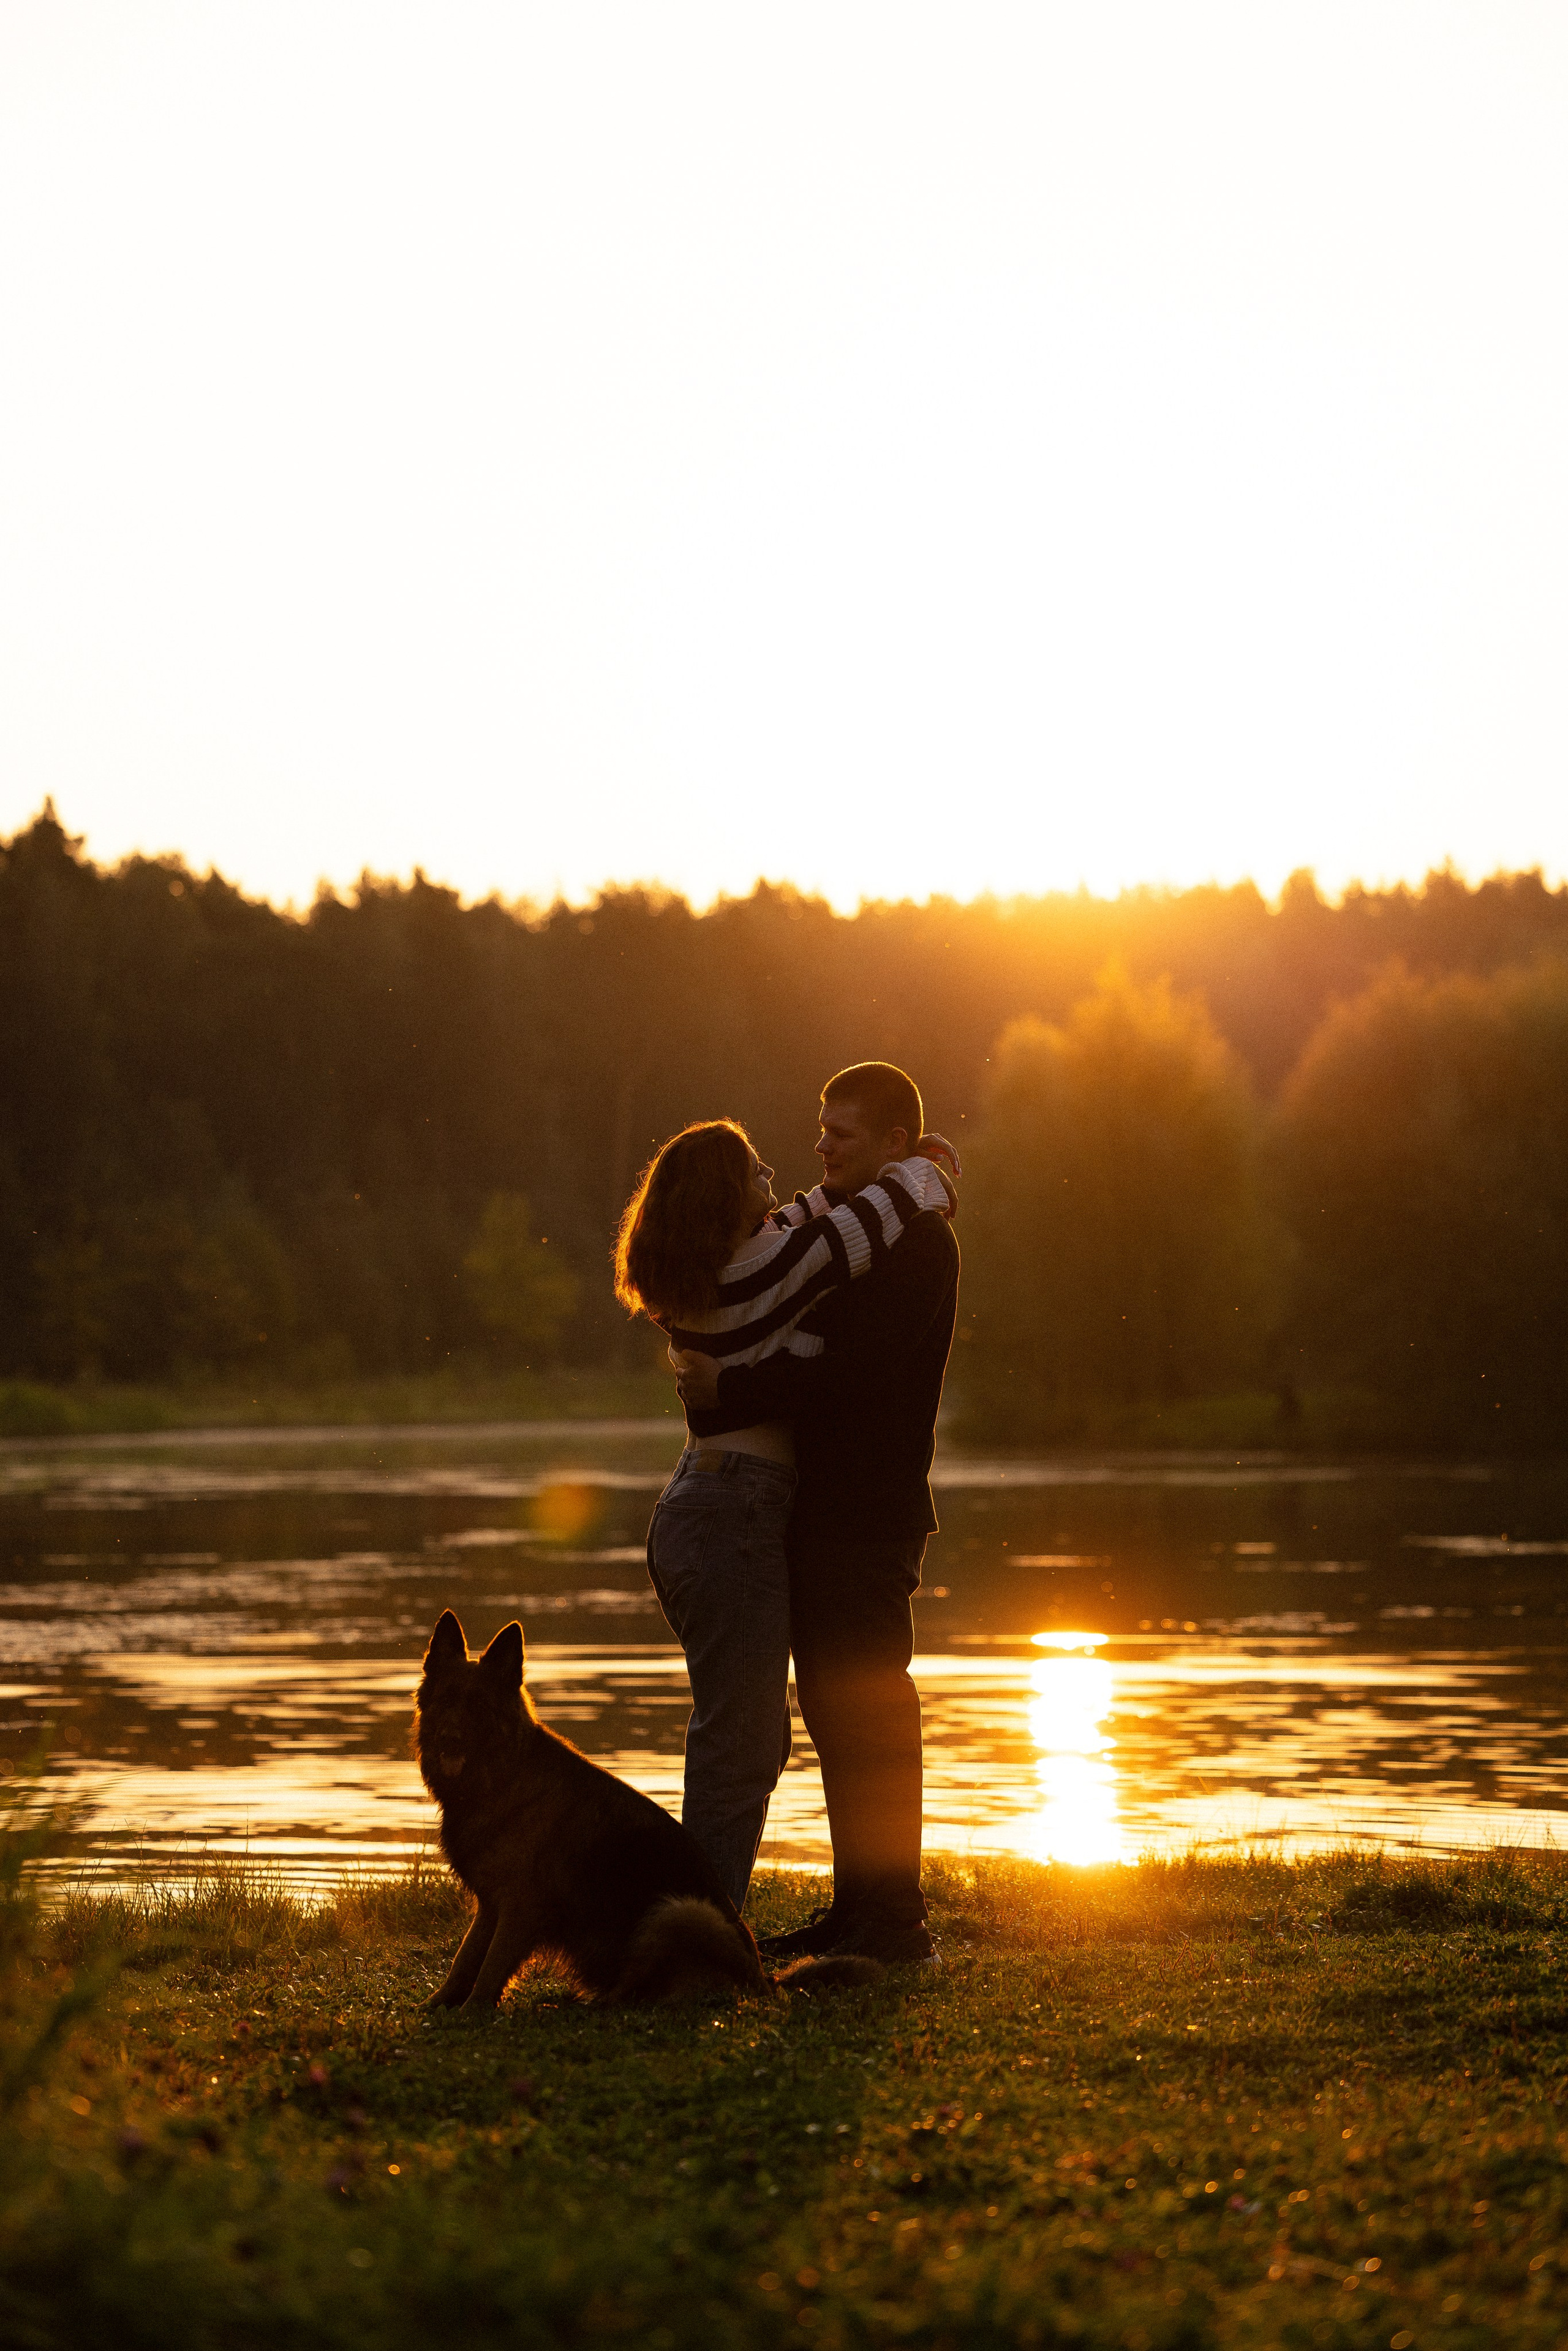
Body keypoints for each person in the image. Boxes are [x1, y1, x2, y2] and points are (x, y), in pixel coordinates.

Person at [613, 1118, 954, 1911]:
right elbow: (855, 1225)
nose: (780, 1171)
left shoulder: (711, 1272)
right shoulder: (766, 1269)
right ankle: (695, 1931)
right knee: (739, 1744)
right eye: (755, 1167)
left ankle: (697, 1915)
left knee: (749, 1737)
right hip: (732, 1511)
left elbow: (802, 1217)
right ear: (726, 1197)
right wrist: (929, 1163)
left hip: (701, 1504)